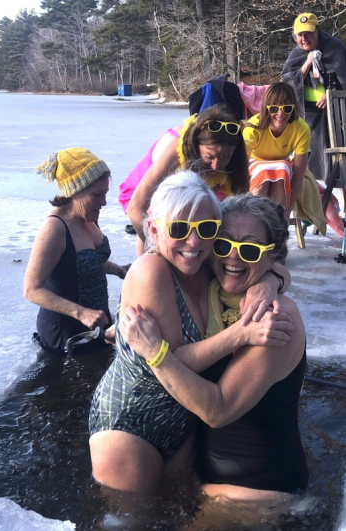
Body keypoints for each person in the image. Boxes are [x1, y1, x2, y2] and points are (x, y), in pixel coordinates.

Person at [89, 171, 293, 493]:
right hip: (132, 422)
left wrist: (271, 282)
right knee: (131, 521)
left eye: (207, 229)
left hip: (185, 419)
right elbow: (174, 360)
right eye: (180, 229)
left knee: (177, 514)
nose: (194, 241)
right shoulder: (152, 271)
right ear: (154, 230)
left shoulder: (207, 262)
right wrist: (242, 333)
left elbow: (271, 261)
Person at [23, 147, 129, 357]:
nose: (104, 202)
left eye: (105, 193)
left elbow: (86, 260)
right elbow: (31, 289)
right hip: (65, 332)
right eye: (97, 194)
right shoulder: (55, 228)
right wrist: (81, 313)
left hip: (95, 322)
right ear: (74, 191)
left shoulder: (87, 215)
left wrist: (118, 270)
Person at [118, 104, 249, 254]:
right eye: (209, 157)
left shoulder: (237, 159)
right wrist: (158, 250)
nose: (216, 166)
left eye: (225, 158)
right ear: (195, 145)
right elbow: (136, 208)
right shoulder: (176, 146)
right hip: (145, 197)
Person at [282, 12, 346, 184]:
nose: (304, 39)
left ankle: (338, 201)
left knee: (336, 160)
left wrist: (330, 94)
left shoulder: (334, 47)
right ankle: (313, 192)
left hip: (334, 115)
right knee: (309, 160)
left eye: (308, 33)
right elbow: (286, 81)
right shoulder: (297, 53)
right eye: (300, 35)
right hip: (307, 115)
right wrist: (308, 63)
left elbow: (343, 79)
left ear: (317, 31)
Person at [243, 82, 310, 219]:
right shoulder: (253, 128)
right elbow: (241, 166)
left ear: (293, 109)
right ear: (266, 108)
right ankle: (255, 219)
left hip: (282, 168)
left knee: (282, 168)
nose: (280, 114)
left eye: (287, 108)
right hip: (255, 164)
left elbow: (298, 172)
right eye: (274, 108)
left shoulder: (301, 129)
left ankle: (279, 220)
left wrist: (290, 207)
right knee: (267, 171)